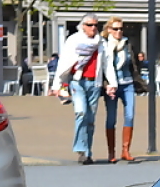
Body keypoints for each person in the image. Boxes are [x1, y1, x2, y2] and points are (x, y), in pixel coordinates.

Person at [55, 13, 106, 165]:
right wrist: (57, 85)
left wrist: (111, 83)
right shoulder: (74, 40)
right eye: (90, 25)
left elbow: (106, 63)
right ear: (83, 26)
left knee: (90, 119)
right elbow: (64, 62)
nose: (94, 28)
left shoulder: (101, 41)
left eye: (96, 25)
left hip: (94, 83)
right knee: (81, 113)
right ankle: (80, 149)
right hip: (77, 82)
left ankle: (88, 152)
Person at [102, 17, 141, 163]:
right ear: (109, 30)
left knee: (130, 115)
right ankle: (111, 152)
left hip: (127, 83)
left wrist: (137, 77)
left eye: (121, 29)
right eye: (115, 29)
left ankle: (125, 150)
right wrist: (106, 84)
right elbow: (102, 67)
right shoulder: (104, 45)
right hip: (112, 85)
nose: (119, 31)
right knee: (111, 118)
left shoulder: (127, 43)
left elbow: (136, 62)